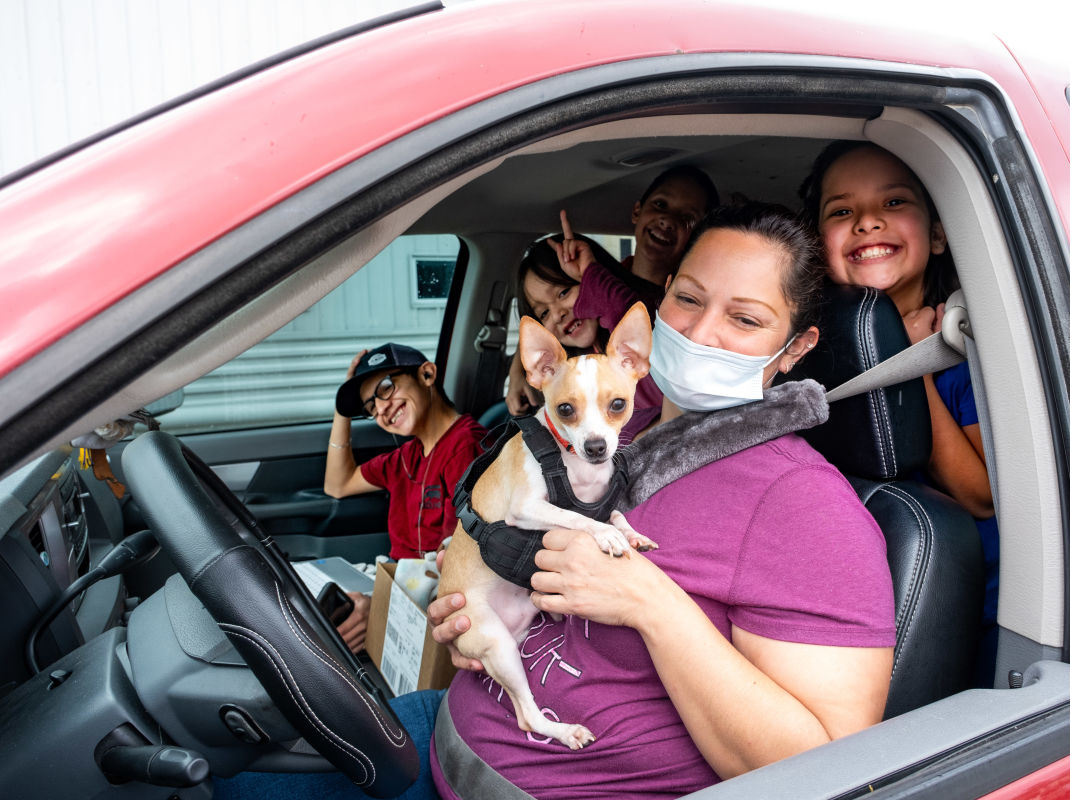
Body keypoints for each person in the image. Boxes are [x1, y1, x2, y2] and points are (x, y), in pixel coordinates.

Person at [213, 202, 895, 800]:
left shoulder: (806, 507)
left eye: (745, 318)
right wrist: (473, 592)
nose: (701, 333)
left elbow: (823, 768)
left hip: (553, 778)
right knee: (226, 764)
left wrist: (649, 602)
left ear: (795, 347)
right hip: (452, 723)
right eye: (687, 300)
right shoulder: (619, 418)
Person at [799, 140, 999, 681]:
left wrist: (914, 365)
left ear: (936, 235)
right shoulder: (807, 356)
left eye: (893, 203)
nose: (867, 222)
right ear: (820, 246)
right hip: (854, 600)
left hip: (969, 616)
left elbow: (981, 496)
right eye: (842, 211)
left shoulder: (965, 354)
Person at [323, 342, 486, 652]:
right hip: (402, 589)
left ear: (426, 375)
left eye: (386, 388)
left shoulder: (465, 447)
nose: (381, 408)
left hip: (435, 608)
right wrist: (342, 411)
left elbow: (462, 564)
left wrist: (382, 608)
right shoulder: (404, 459)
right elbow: (337, 484)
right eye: (371, 407)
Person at [505, 220, 663, 442]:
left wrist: (590, 270)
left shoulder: (635, 347)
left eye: (563, 292)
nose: (558, 313)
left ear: (592, 283)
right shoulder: (570, 372)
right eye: (543, 313)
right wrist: (519, 369)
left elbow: (623, 312)